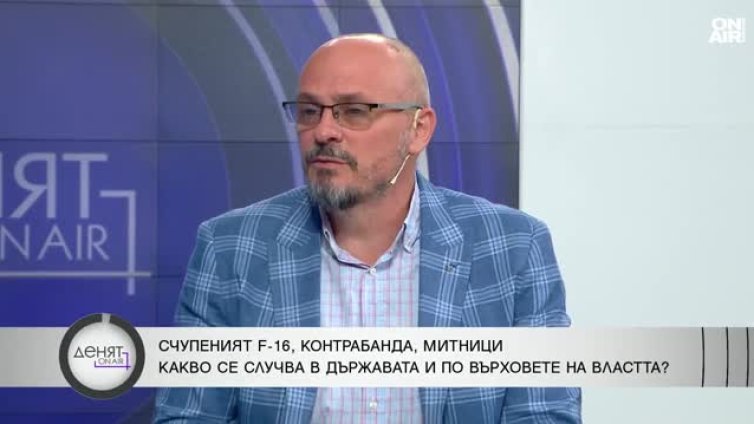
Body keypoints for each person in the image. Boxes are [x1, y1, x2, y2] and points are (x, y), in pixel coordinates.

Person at [154, 33, 581, 423]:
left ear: (418, 129)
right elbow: (188, 417)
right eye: (309, 111)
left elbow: (543, 416)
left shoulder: (513, 247)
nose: (323, 131)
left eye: (354, 112)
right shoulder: (230, 248)